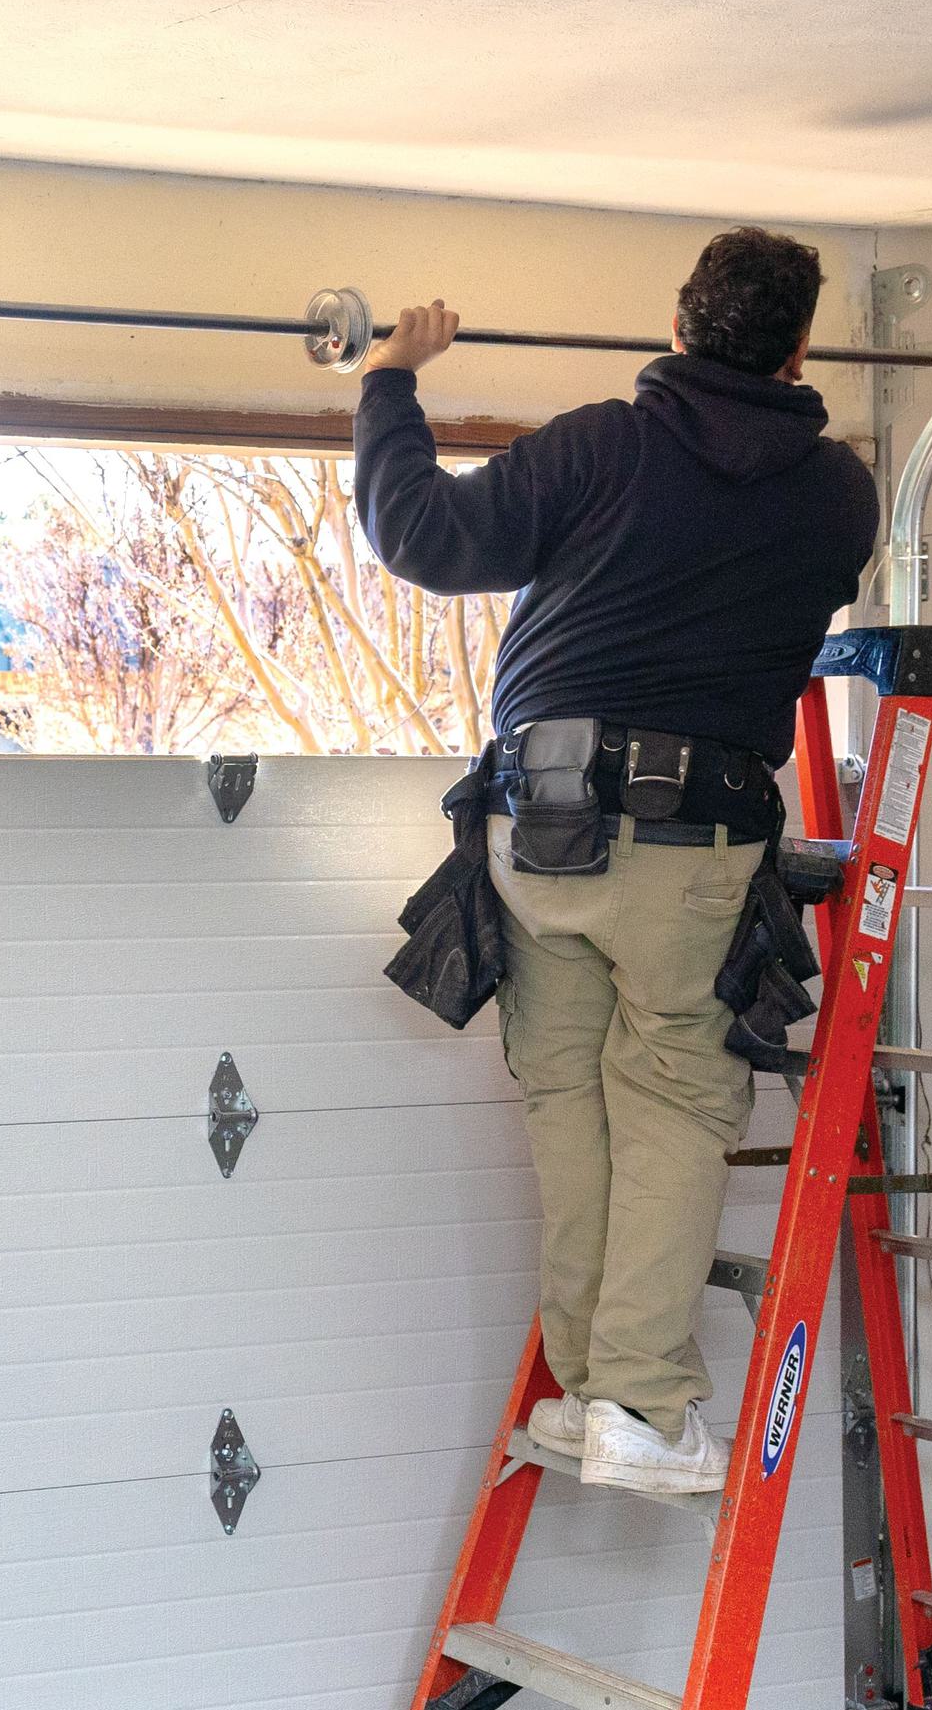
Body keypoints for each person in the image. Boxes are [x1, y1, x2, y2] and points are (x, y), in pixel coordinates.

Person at [354, 228, 877, 1497]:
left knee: (569, 1097)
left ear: (683, 326)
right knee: (676, 1100)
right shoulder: (837, 492)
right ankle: (638, 1398)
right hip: (691, 840)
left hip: (534, 828)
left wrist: (389, 382)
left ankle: (592, 1389)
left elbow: (423, 539)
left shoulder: (601, 445)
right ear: (799, 343)